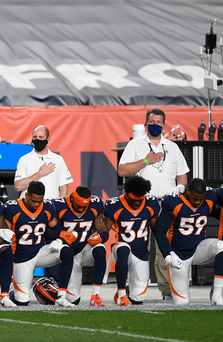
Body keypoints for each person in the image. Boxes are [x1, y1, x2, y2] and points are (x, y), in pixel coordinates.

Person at [117, 108, 189, 301]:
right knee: (136, 243)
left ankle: (167, 290)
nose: (155, 124)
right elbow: (122, 170)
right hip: (141, 202)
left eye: (158, 122)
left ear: (164, 125)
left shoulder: (172, 147)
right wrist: (145, 161)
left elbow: (182, 175)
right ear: (145, 123)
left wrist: (181, 188)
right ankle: (130, 287)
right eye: (151, 121)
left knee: (164, 245)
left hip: (166, 202)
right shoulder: (135, 144)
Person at [155, 178, 223, 305]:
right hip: (178, 255)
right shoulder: (173, 201)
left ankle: (216, 295)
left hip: (199, 248)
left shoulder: (211, 196)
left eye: (201, 199)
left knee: (222, 246)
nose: (198, 202)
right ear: (188, 192)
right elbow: (159, 231)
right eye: (195, 198)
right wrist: (168, 254)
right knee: (182, 302)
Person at [0, 181, 69, 306]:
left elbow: (56, 229)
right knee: (22, 301)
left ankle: (61, 295)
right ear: (26, 196)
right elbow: (5, 234)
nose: (37, 204)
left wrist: (59, 239)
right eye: (34, 201)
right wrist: (3, 232)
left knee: (66, 251)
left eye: (39, 201)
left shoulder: (47, 206)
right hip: (22, 258)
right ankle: (12, 291)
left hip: (41, 252)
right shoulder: (12, 208)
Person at [98, 175, 160, 305]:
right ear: (126, 195)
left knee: (138, 299)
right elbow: (105, 229)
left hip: (142, 253)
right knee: (124, 248)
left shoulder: (151, 202)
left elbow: (157, 230)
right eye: (133, 200)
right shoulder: (114, 204)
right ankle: (121, 294)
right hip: (120, 248)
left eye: (140, 200)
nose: (137, 203)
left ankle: (126, 289)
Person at [51, 186, 109, 307]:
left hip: (85, 249)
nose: (82, 209)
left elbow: (104, 231)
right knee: (73, 300)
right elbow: (49, 229)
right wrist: (60, 236)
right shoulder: (58, 205)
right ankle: (53, 288)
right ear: (72, 198)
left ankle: (96, 296)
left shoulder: (96, 204)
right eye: (79, 205)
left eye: (84, 206)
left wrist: (100, 238)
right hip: (69, 253)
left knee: (100, 249)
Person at [14, 125, 73, 200]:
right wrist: (40, 174)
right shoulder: (24, 159)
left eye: (41, 137)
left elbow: (64, 188)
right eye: (35, 137)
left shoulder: (58, 160)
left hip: (51, 206)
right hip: (28, 208)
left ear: (48, 139)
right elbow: (18, 186)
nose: (37, 140)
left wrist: (60, 207)